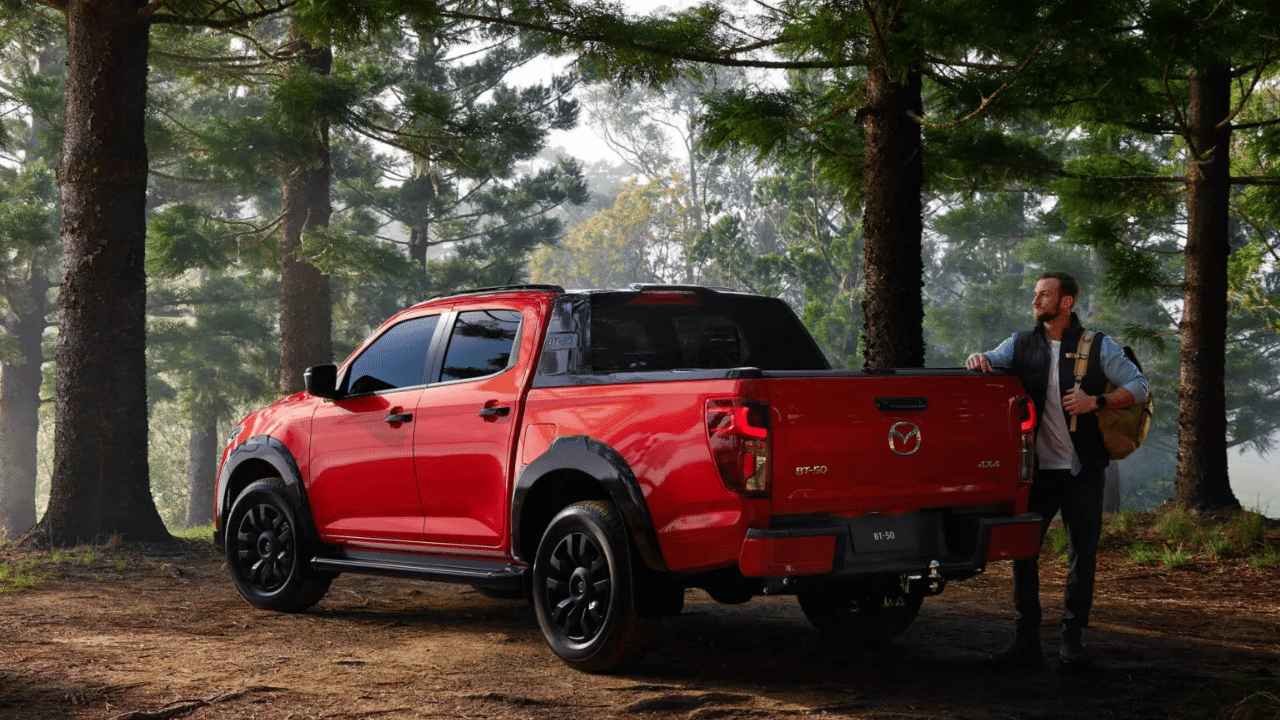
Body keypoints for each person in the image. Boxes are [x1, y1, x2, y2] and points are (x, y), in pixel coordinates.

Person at [966, 271, 1149, 671]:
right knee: (1022, 553)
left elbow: (1139, 387)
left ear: (1065, 302)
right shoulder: (1020, 343)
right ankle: (1026, 639)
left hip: (1083, 472)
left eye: (1044, 294)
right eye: (1034, 293)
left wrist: (1096, 401)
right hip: (1036, 474)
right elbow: (987, 361)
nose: (1036, 300)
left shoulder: (1098, 346)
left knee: (1082, 557)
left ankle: (1073, 640)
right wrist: (978, 359)